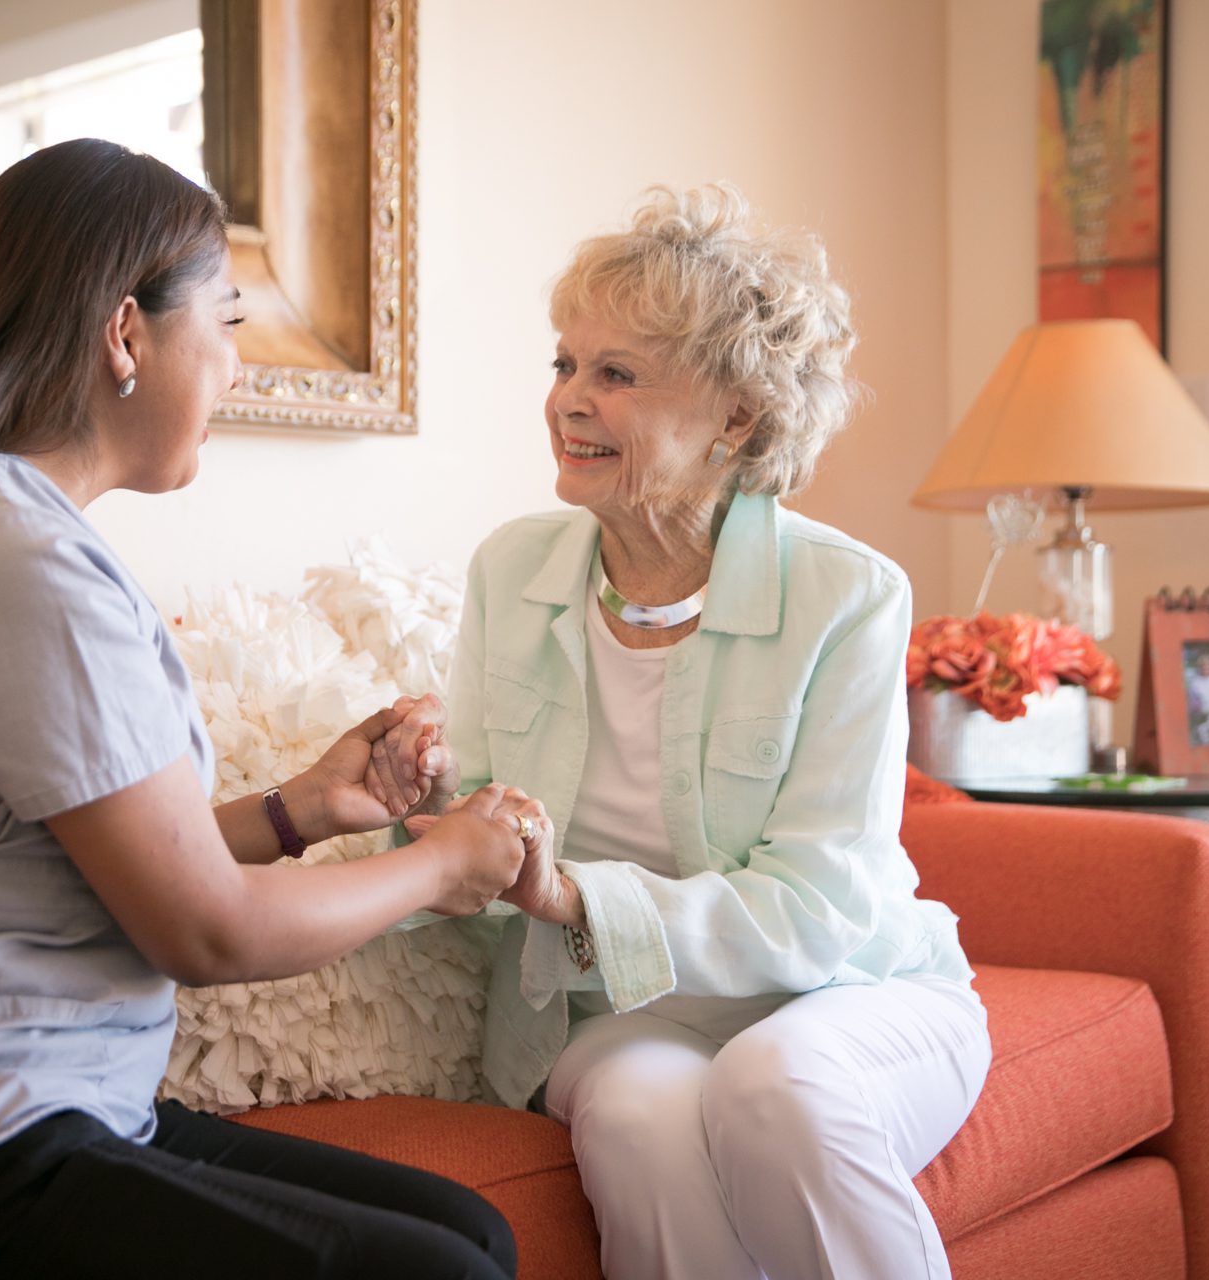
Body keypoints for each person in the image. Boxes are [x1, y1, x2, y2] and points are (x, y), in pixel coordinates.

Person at [0, 138, 529, 1280]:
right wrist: (448, 865)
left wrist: (302, 810)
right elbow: (202, 929)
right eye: (229, 322)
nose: (238, 367)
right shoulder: (13, 559)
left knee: (474, 1231)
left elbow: (83, 846)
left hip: (29, 1099)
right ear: (124, 332)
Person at [383, 184, 993, 1279]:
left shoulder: (848, 594)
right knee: (635, 1117)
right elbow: (476, 870)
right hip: (624, 1011)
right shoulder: (510, 571)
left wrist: (570, 894)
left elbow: (818, 909)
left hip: (850, 991)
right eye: (565, 363)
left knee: (776, 1091)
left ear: (738, 416)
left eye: (616, 373)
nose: (568, 399)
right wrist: (416, 812)